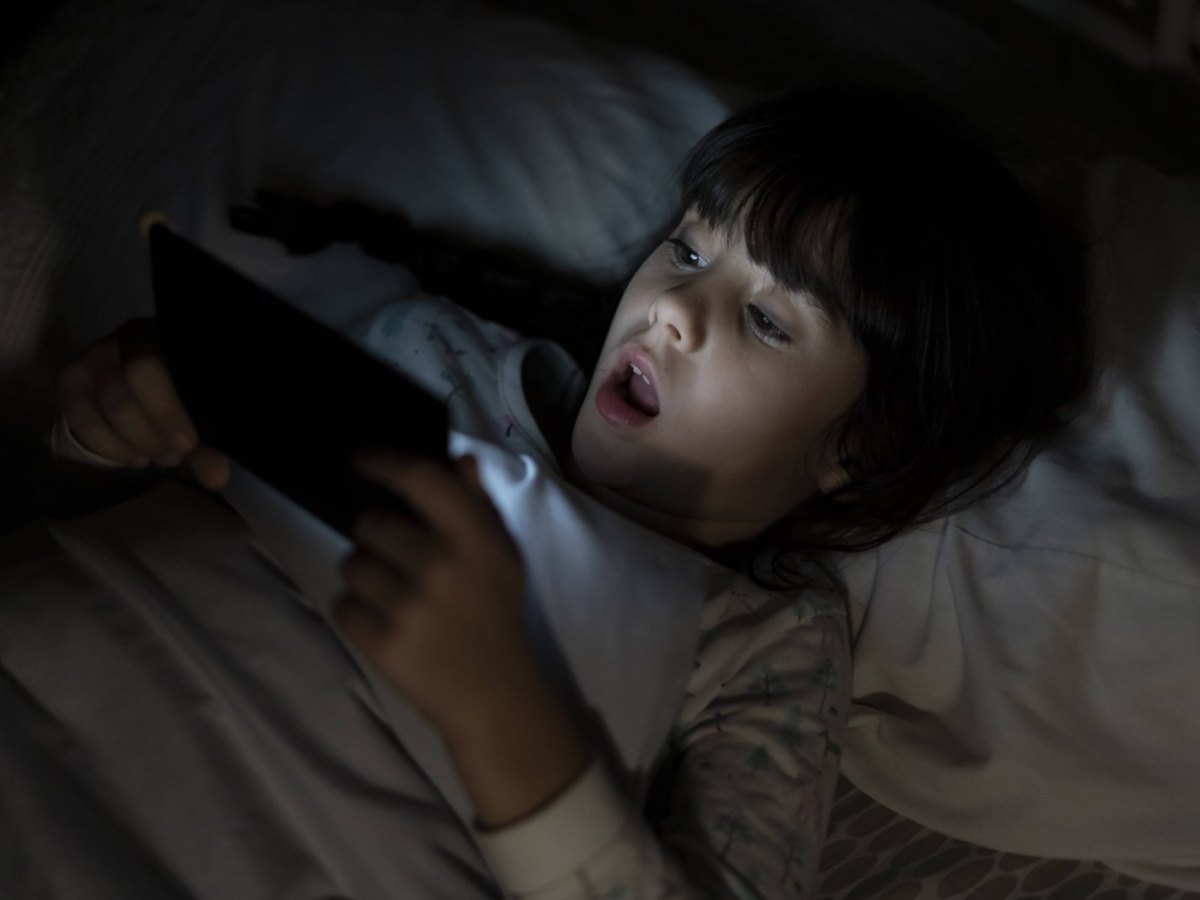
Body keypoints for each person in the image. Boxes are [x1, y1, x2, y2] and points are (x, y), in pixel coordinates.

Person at [47, 88, 1089, 898]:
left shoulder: (763, 647)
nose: (675, 308)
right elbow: (116, 501)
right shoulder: (434, 353)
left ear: (855, 448)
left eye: (769, 321)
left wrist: (502, 713)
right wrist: (106, 426)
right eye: (687, 248)